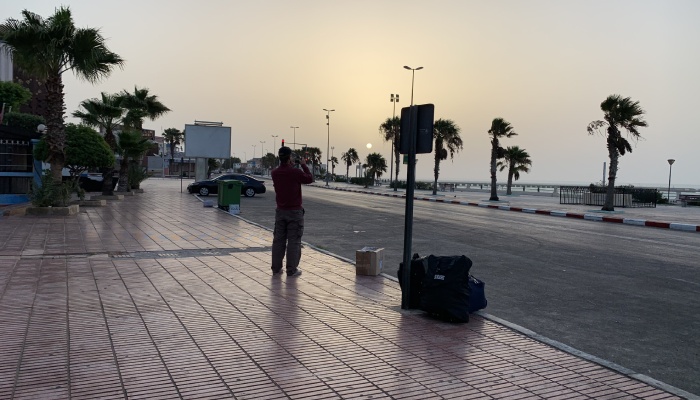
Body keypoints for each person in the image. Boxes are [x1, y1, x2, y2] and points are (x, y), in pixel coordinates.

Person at [271, 146, 314, 277]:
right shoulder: (295, 172)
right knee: (294, 241)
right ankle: (292, 270)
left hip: (280, 211)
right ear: (289, 158)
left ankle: (276, 269)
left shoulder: (274, 173)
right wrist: (304, 165)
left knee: (279, 241)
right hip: (295, 212)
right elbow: (309, 178)